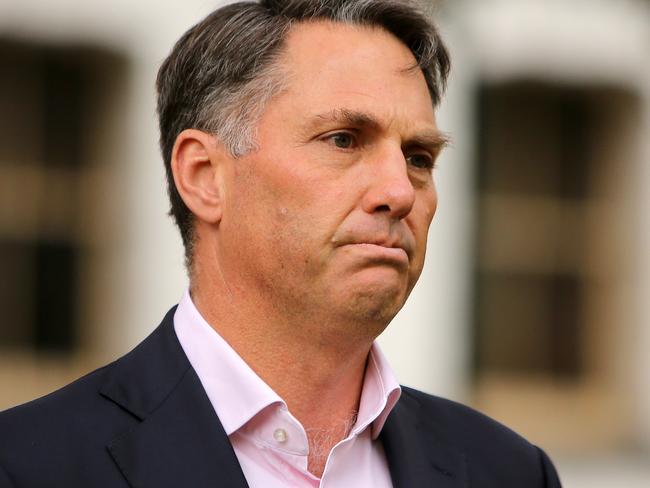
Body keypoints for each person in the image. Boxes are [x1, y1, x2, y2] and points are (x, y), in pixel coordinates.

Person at [0, 0, 562, 486]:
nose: (399, 191)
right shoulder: (28, 466)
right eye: (343, 140)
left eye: (418, 158)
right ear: (204, 176)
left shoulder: (508, 471)